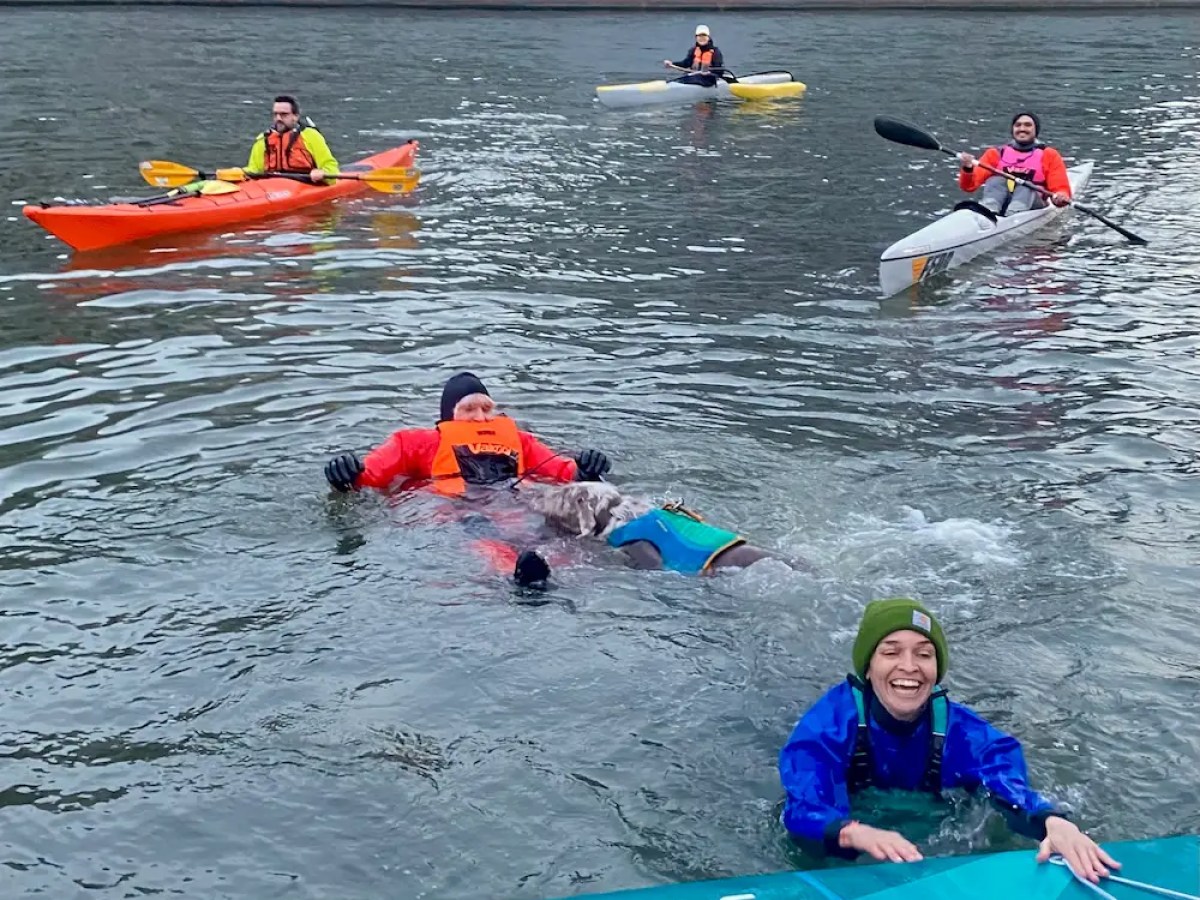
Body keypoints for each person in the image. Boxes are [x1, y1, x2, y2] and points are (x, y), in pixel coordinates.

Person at [778, 598, 1120, 884]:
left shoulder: (961, 731)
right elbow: (805, 803)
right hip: (851, 829)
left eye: (924, 654)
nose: (909, 667)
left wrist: (1051, 821)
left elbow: (1004, 777)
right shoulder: (828, 726)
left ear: (937, 670)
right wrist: (854, 833)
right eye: (891, 652)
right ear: (868, 668)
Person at [528, 480, 799, 575]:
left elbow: (654, 569)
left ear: (585, 519)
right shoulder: (649, 516)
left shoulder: (632, 539)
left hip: (739, 570)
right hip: (747, 553)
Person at [956, 113, 1071, 216]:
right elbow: (969, 186)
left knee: (1026, 186)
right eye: (1018, 125)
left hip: (1032, 206)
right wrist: (968, 168)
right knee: (996, 180)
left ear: (1036, 130)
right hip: (1001, 202)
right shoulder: (996, 153)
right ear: (1013, 130)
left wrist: (1060, 196)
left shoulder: (1049, 155)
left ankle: (1012, 215)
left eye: (1028, 125)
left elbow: (1060, 188)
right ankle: (988, 212)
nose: (1022, 129)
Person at [246, 95, 339, 184]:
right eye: (275, 114)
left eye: (284, 114)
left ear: (296, 116)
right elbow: (253, 170)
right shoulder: (263, 139)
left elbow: (331, 168)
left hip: (306, 184)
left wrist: (322, 172)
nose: (278, 118)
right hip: (271, 186)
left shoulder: (311, 136)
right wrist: (238, 173)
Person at [663, 25, 729, 85]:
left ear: (708, 37)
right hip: (694, 77)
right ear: (696, 38)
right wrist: (672, 63)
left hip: (709, 79)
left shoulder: (715, 52)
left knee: (694, 78)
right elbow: (685, 63)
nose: (701, 38)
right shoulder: (693, 50)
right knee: (687, 78)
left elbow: (719, 70)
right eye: (699, 36)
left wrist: (709, 72)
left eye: (704, 36)